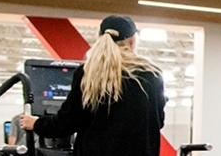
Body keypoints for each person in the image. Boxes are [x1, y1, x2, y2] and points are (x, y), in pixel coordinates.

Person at [16, 15, 166, 156]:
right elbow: (158, 122)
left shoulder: (89, 72)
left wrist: (36, 123)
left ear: (100, 37)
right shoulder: (151, 74)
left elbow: (66, 123)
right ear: (133, 40)